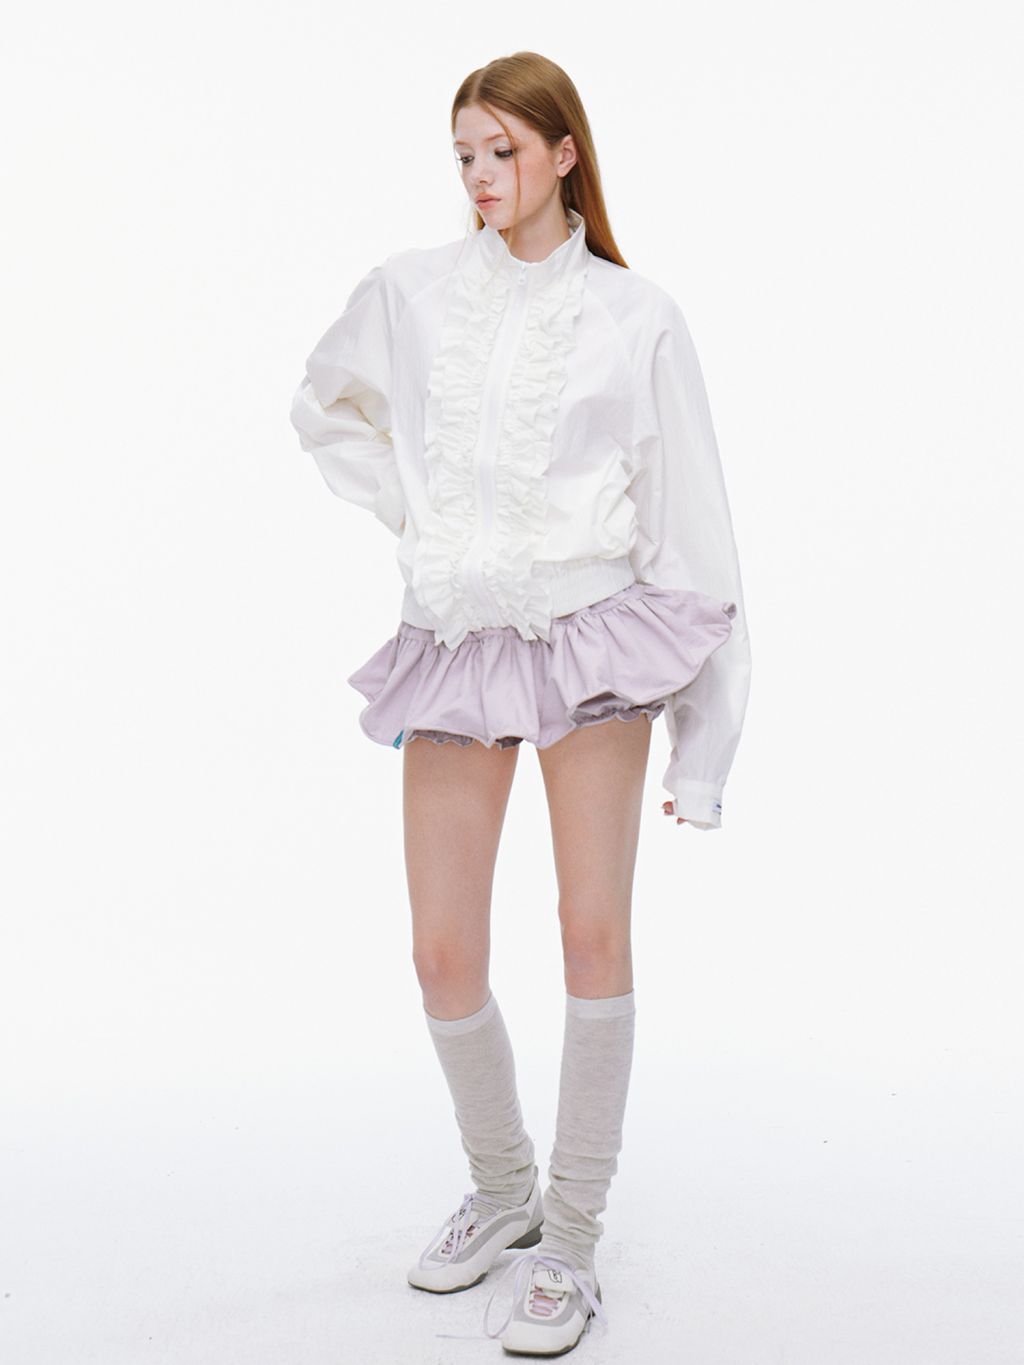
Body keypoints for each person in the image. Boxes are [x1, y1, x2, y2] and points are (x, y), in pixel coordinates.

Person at [289, 50, 752, 1358]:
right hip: (455, 642)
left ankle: (574, 1240)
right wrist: (419, 511)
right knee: (442, 951)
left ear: (563, 153)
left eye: (502, 150)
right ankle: (503, 1189)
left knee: (591, 931)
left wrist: (707, 744)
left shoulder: (635, 316)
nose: (481, 176)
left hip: (593, 640)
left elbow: (695, 527)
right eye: (464, 155)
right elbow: (325, 404)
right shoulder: (411, 292)